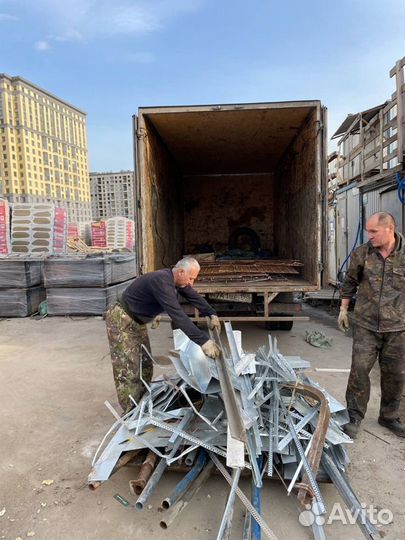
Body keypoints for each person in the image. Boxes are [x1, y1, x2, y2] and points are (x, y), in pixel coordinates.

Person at [105, 257, 221, 412]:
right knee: (128, 368)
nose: (191, 283)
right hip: (122, 319)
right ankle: (131, 411)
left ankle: (143, 402)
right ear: (181, 272)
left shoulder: (176, 280)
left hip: (137, 321)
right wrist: (204, 342)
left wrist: (211, 313)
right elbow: (178, 315)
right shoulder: (161, 281)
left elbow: (193, 295)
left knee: (144, 363)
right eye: (191, 278)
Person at [338, 211, 405, 438]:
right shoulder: (362, 253)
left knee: (395, 373)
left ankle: (389, 417)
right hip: (366, 324)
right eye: (368, 231)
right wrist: (343, 309)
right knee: (359, 371)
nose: (370, 236)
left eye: (373, 231)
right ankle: (354, 417)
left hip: (398, 327)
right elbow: (349, 282)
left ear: (390, 228)